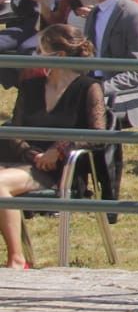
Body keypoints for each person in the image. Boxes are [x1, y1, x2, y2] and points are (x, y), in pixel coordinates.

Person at [0, 24, 108, 270]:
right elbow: (13, 129)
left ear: (59, 55)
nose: (35, 56)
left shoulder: (88, 88)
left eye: (40, 51)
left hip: (63, 170)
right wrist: (33, 153)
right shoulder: (31, 86)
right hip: (26, 160)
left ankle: (17, 258)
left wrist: (59, 149)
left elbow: (98, 136)